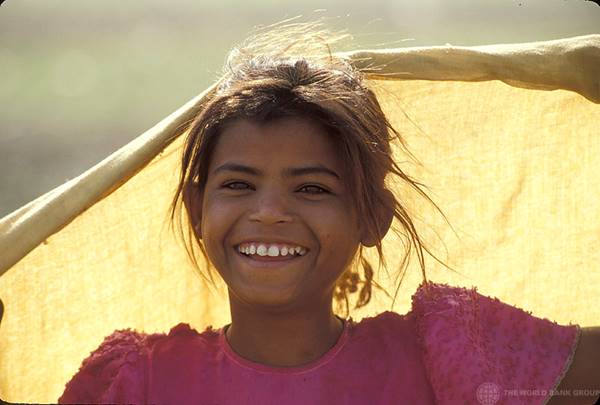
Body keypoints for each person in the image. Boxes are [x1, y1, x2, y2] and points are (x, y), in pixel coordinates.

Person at [58, 23, 599, 405]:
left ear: (373, 215)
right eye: (239, 184)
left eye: (312, 188)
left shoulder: (449, 353)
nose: (269, 213)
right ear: (199, 209)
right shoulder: (137, 383)